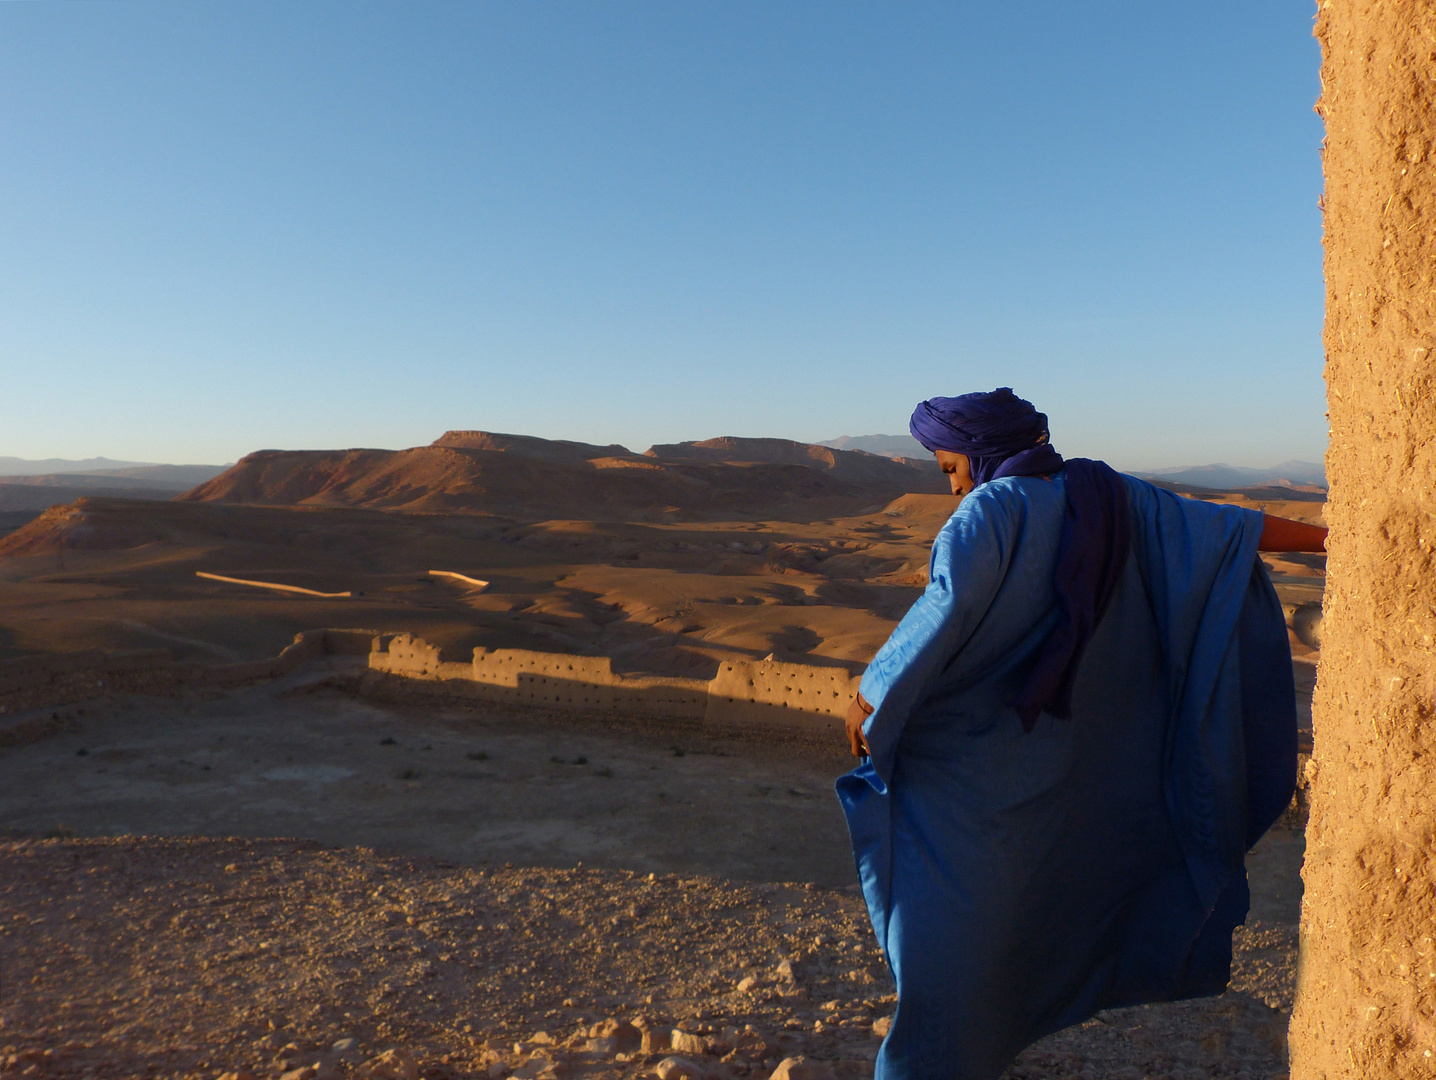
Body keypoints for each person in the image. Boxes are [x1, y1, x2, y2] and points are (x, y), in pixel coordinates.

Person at [836, 388, 1321, 1080]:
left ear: (981, 453)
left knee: (947, 926)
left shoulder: (992, 510)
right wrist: (1337, 536)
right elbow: (1221, 529)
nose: (953, 487)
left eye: (951, 467)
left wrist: (871, 694)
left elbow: (946, 603)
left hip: (985, 766)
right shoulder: (1106, 494)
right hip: (1070, 760)